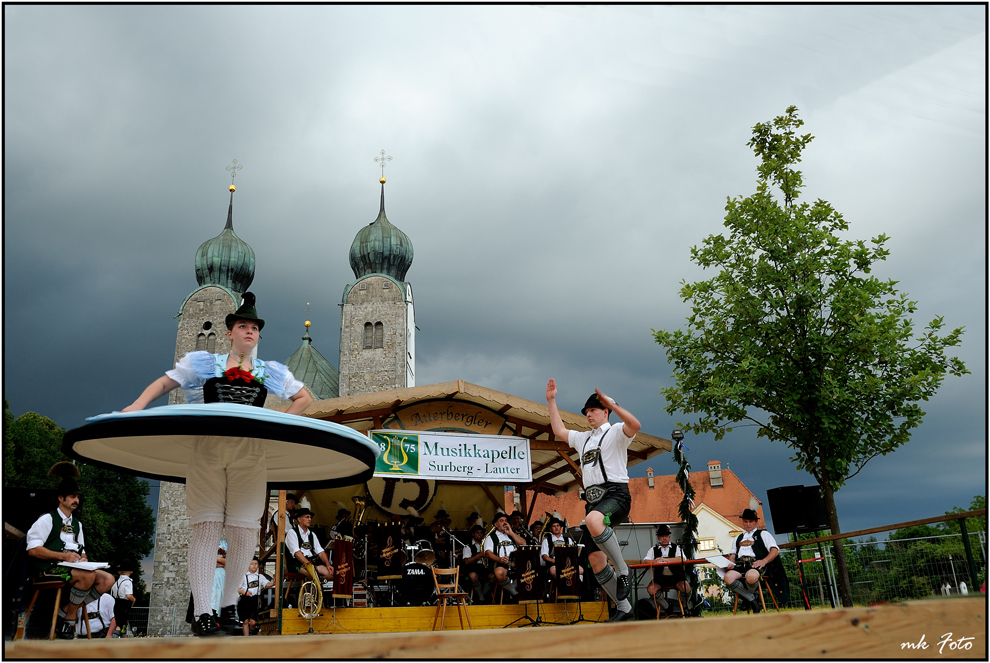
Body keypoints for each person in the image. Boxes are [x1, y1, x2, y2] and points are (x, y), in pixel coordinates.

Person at [122, 292, 313, 636]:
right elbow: (168, 381)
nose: (249, 332)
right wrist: (138, 404)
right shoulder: (205, 363)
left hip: (250, 456)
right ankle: (203, 612)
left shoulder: (267, 371)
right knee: (207, 528)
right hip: (208, 452)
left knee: (243, 533)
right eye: (243, 326)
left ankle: (227, 607)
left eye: (254, 328)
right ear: (230, 332)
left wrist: (276, 424)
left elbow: (304, 398)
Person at [546, 380, 641, 622]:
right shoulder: (582, 439)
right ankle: (624, 608)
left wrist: (613, 404)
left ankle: (623, 570)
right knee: (595, 560)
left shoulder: (617, 431)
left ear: (606, 411)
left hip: (616, 495)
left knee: (592, 519)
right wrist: (551, 400)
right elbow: (558, 430)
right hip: (593, 501)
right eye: (586, 412)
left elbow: (635, 424)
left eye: (593, 410)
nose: (588, 415)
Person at [25, 463, 115, 639]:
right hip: (48, 569)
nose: (76, 500)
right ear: (61, 498)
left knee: (108, 579)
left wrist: (83, 559)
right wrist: (62, 556)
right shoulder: (47, 520)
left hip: (71, 569)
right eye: (72, 497)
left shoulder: (77, 525)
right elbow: (33, 550)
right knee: (87, 576)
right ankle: (70, 620)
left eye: (78, 497)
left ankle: (64, 612)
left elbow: (82, 551)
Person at [724, 508, 786, 613]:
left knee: (751, 576)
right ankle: (752, 598)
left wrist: (764, 561)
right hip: (740, 565)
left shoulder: (764, 534)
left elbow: (775, 551)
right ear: (742, 522)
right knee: (728, 577)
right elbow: (733, 555)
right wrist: (731, 563)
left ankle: (747, 599)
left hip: (757, 565)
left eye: (751, 522)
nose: (748, 524)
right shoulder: (738, 538)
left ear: (756, 522)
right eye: (745, 522)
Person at [644, 525, 690, 614]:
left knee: (686, 587)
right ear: (658, 537)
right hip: (660, 578)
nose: (664, 538)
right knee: (650, 589)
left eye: (666, 536)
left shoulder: (676, 547)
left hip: (676, 577)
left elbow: (682, 559)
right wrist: (654, 561)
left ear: (669, 537)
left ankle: (684, 606)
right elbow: (645, 561)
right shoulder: (653, 549)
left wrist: (665, 559)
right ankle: (667, 606)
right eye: (662, 536)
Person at [483, 512, 527, 599]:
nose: (505, 523)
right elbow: (488, 553)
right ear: (496, 524)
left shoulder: (511, 535)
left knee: (530, 569)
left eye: (506, 520)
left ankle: (524, 593)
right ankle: (514, 593)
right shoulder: (491, 537)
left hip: (515, 563)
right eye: (501, 521)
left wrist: (511, 532)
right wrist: (499, 559)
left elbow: (524, 544)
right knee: (499, 573)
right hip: (500, 563)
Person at [285, 508, 334, 582]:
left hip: (312, 564)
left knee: (330, 574)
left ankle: (317, 584)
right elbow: (297, 553)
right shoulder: (292, 533)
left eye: (310, 517)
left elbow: (320, 551)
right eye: (307, 517)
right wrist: (309, 566)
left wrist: (328, 565)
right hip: (297, 565)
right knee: (311, 574)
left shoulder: (312, 534)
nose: (310, 519)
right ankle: (314, 585)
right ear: (299, 519)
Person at [237, 557, 274, 636]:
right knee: (246, 621)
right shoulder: (244, 576)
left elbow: (266, 584)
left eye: (255, 564)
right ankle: (246, 638)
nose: (253, 565)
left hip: (254, 599)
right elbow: (238, 589)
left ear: (258, 566)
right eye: (251, 564)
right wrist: (245, 593)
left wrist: (273, 583)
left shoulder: (260, 577)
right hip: (245, 599)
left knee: (253, 622)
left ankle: (252, 633)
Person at [540, 518, 581, 582]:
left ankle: (572, 587)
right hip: (554, 563)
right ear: (550, 529)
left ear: (560, 527)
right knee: (554, 571)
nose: (556, 528)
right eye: (554, 526)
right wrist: (554, 561)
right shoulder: (546, 540)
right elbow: (544, 556)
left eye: (558, 526)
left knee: (581, 570)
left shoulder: (568, 539)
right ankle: (562, 587)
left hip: (567, 563)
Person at [461, 524, 490, 603]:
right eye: (477, 532)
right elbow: (466, 561)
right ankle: (481, 597)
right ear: (473, 534)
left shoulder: (486, 545)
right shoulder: (468, 546)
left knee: (494, 576)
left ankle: (483, 594)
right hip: (473, 567)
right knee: (473, 576)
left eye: (481, 533)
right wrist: (479, 556)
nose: (479, 535)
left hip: (485, 567)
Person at [110, 563, 136, 637]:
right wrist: (133, 600)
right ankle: (117, 637)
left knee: (119, 622)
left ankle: (120, 636)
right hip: (124, 603)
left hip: (116, 602)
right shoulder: (128, 582)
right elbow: (128, 595)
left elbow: (113, 593)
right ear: (131, 572)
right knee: (121, 624)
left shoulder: (116, 582)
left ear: (119, 572)